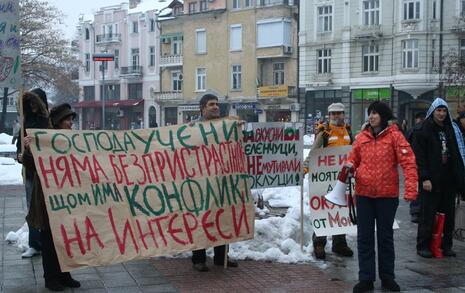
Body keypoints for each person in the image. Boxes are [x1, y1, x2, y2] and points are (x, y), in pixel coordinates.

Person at [347, 101, 418, 293]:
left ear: (384, 116)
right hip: (364, 195)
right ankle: (366, 279)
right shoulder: (361, 137)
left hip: (387, 196)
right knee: (364, 238)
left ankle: (388, 278)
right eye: (370, 113)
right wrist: (348, 170)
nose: (371, 116)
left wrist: (411, 190)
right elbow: (352, 159)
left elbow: (409, 162)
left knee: (385, 238)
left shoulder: (395, 136)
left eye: (375, 113)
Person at [23, 103, 80, 291]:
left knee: (65, 236)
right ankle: (51, 277)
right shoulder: (43, 139)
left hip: (66, 195)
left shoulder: (71, 138)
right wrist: (27, 151)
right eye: (67, 119)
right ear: (58, 121)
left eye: (72, 119)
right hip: (48, 196)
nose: (71, 123)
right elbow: (31, 165)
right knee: (49, 237)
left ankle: (65, 274)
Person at [411, 98, 465, 259]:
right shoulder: (423, 130)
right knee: (428, 214)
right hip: (431, 180)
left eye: (444, 111)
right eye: (438, 111)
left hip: (448, 180)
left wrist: (459, 179)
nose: (441, 114)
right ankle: (424, 245)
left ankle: (445, 245)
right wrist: (424, 178)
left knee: (448, 215)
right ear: (433, 112)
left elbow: (456, 154)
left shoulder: (450, 129)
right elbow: (419, 157)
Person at [191, 94, 238, 272]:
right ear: (202, 108)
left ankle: (221, 257)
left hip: (221, 181)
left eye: (217, 104)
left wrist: (237, 129)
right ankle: (198, 259)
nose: (216, 107)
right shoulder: (194, 127)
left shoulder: (225, 126)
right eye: (211, 104)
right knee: (201, 219)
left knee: (223, 218)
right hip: (201, 183)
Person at [303, 103, 354, 260]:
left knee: (341, 211)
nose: (336, 116)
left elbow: (354, 152)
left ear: (344, 114)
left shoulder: (349, 132)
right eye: (333, 114)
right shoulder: (324, 134)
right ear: (329, 116)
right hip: (325, 179)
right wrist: (305, 168)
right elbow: (314, 153)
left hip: (343, 178)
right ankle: (319, 243)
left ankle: (340, 244)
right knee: (324, 211)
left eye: (338, 113)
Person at [16, 88, 50, 258]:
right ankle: (35, 244)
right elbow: (19, 149)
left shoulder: (48, 122)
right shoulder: (26, 122)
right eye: (29, 104)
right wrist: (21, 153)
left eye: (35, 103)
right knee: (32, 208)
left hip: (48, 173)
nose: (32, 106)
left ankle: (49, 243)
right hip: (31, 173)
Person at [406, 111, 426, 223]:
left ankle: (415, 211)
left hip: (413, 162)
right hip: (421, 163)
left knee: (416, 187)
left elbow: (406, 143)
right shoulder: (426, 129)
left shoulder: (412, 130)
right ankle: (419, 210)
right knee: (422, 187)